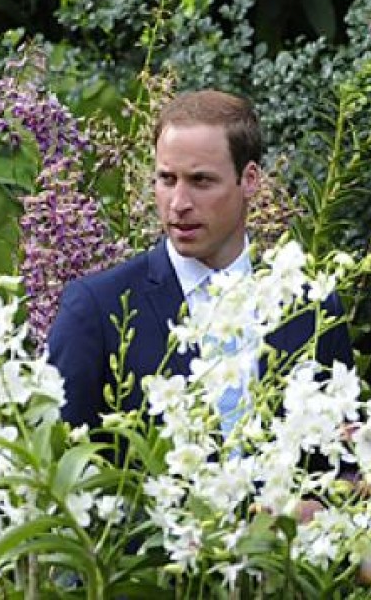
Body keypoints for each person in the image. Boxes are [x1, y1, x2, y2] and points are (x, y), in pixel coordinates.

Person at [48, 89, 354, 429]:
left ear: (250, 180)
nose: (178, 203)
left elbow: (333, 460)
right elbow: (60, 460)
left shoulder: (312, 310)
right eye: (167, 179)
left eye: (201, 181)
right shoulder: (98, 309)